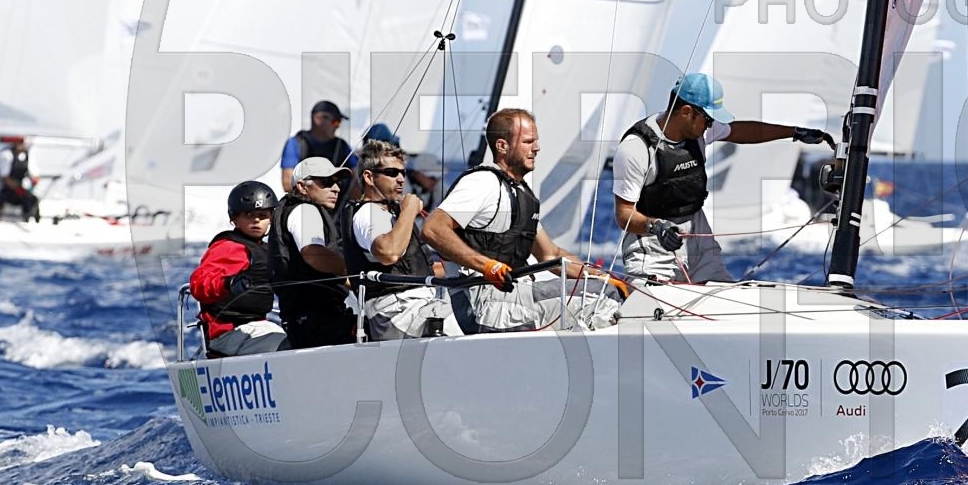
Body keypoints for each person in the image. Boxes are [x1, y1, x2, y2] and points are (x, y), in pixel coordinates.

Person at [613, 72, 833, 283]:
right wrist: (656, 226)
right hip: (652, 243)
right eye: (708, 119)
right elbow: (624, 214)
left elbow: (741, 131)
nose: (711, 125)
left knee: (722, 298)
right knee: (655, 304)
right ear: (687, 112)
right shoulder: (637, 149)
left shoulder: (699, 130)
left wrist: (795, 132)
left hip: (697, 235)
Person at [422, 109, 597, 332]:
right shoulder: (483, 183)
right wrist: (487, 266)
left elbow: (550, 254)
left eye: (536, 141)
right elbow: (433, 229)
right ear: (502, 146)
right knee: (601, 300)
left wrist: (599, 276)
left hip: (512, 298)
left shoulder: (521, 194)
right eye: (528, 142)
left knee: (603, 289)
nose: (537, 148)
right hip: (485, 304)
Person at [339, 140, 442, 340]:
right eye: (392, 173)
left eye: (403, 172)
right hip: (396, 313)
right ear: (369, 177)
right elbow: (389, 253)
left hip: (412, 309)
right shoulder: (368, 213)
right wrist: (410, 210)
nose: (401, 179)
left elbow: (413, 268)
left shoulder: (391, 213)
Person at [189, 182, 286, 356]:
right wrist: (228, 284)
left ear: (271, 218)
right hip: (227, 333)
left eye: (262, 215)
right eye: (248, 214)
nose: (256, 220)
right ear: (234, 218)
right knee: (291, 346)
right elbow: (199, 284)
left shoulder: (267, 249)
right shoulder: (229, 247)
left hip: (257, 326)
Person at [270, 157, 354, 348]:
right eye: (326, 182)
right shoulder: (306, 210)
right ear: (302, 187)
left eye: (337, 182)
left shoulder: (291, 210)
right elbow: (313, 254)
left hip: (303, 321)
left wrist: (357, 281)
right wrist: (354, 268)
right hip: (320, 322)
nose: (336, 188)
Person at [280, 100, 354, 192]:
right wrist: (317, 193)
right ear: (318, 119)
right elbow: (287, 183)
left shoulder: (342, 146)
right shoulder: (296, 143)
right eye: (335, 121)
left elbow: (357, 177)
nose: (337, 126)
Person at [0, 137, 41, 222]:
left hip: (21, 189)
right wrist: (17, 187)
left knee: (32, 199)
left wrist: (33, 181)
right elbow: (5, 178)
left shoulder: (28, 156)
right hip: (7, 190)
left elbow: (35, 174)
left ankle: (30, 220)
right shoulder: (7, 155)